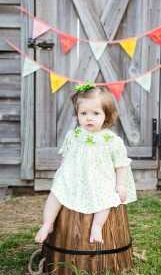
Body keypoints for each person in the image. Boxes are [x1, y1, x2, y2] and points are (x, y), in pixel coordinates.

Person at [34, 85, 137, 244]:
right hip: (74, 176)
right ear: (77, 115)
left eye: (95, 113)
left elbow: (121, 165)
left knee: (107, 199)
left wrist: (121, 185)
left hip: (100, 179)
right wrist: (62, 175)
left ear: (106, 115)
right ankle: (48, 223)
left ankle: (96, 226)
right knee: (56, 193)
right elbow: (66, 158)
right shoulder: (73, 135)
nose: (89, 118)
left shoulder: (112, 141)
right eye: (83, 113)